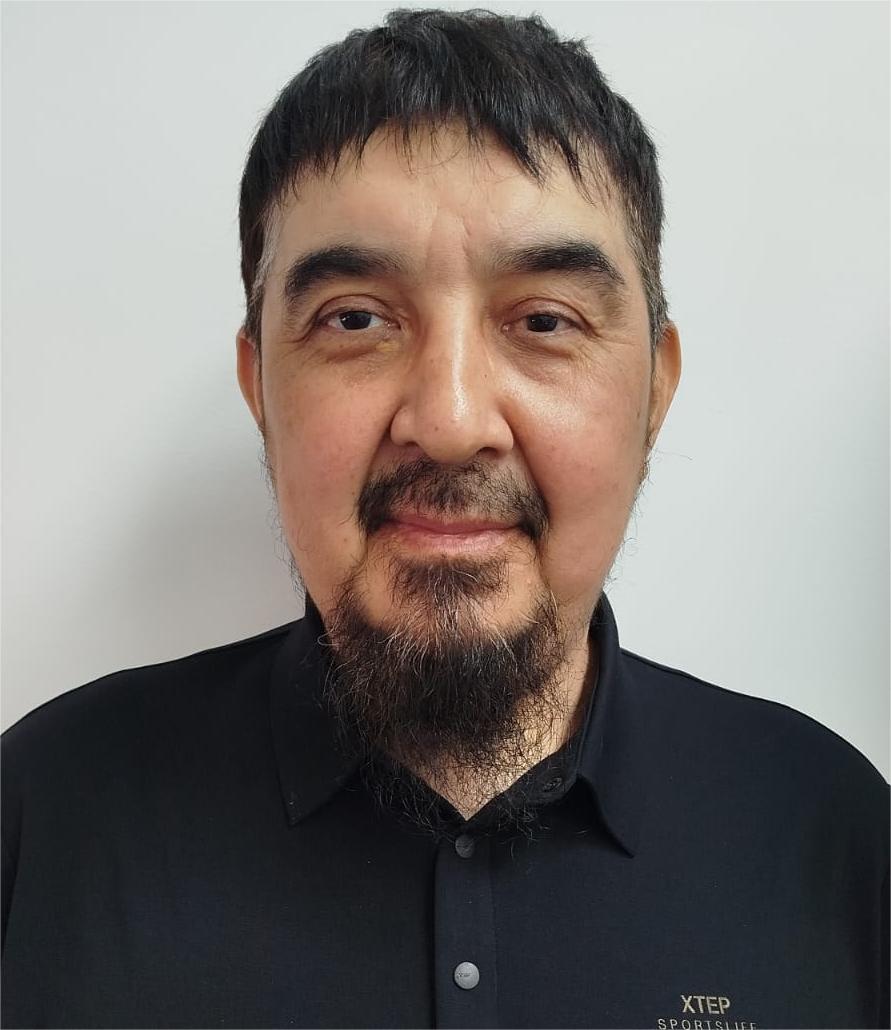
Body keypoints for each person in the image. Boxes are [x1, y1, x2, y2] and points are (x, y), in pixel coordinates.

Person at [2, 7, 887, 1028]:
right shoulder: (46, 818)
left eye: (545, 320)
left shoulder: (833, 837)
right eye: (356, 319)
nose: (452, 421)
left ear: (654, 392)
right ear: (260, 391)